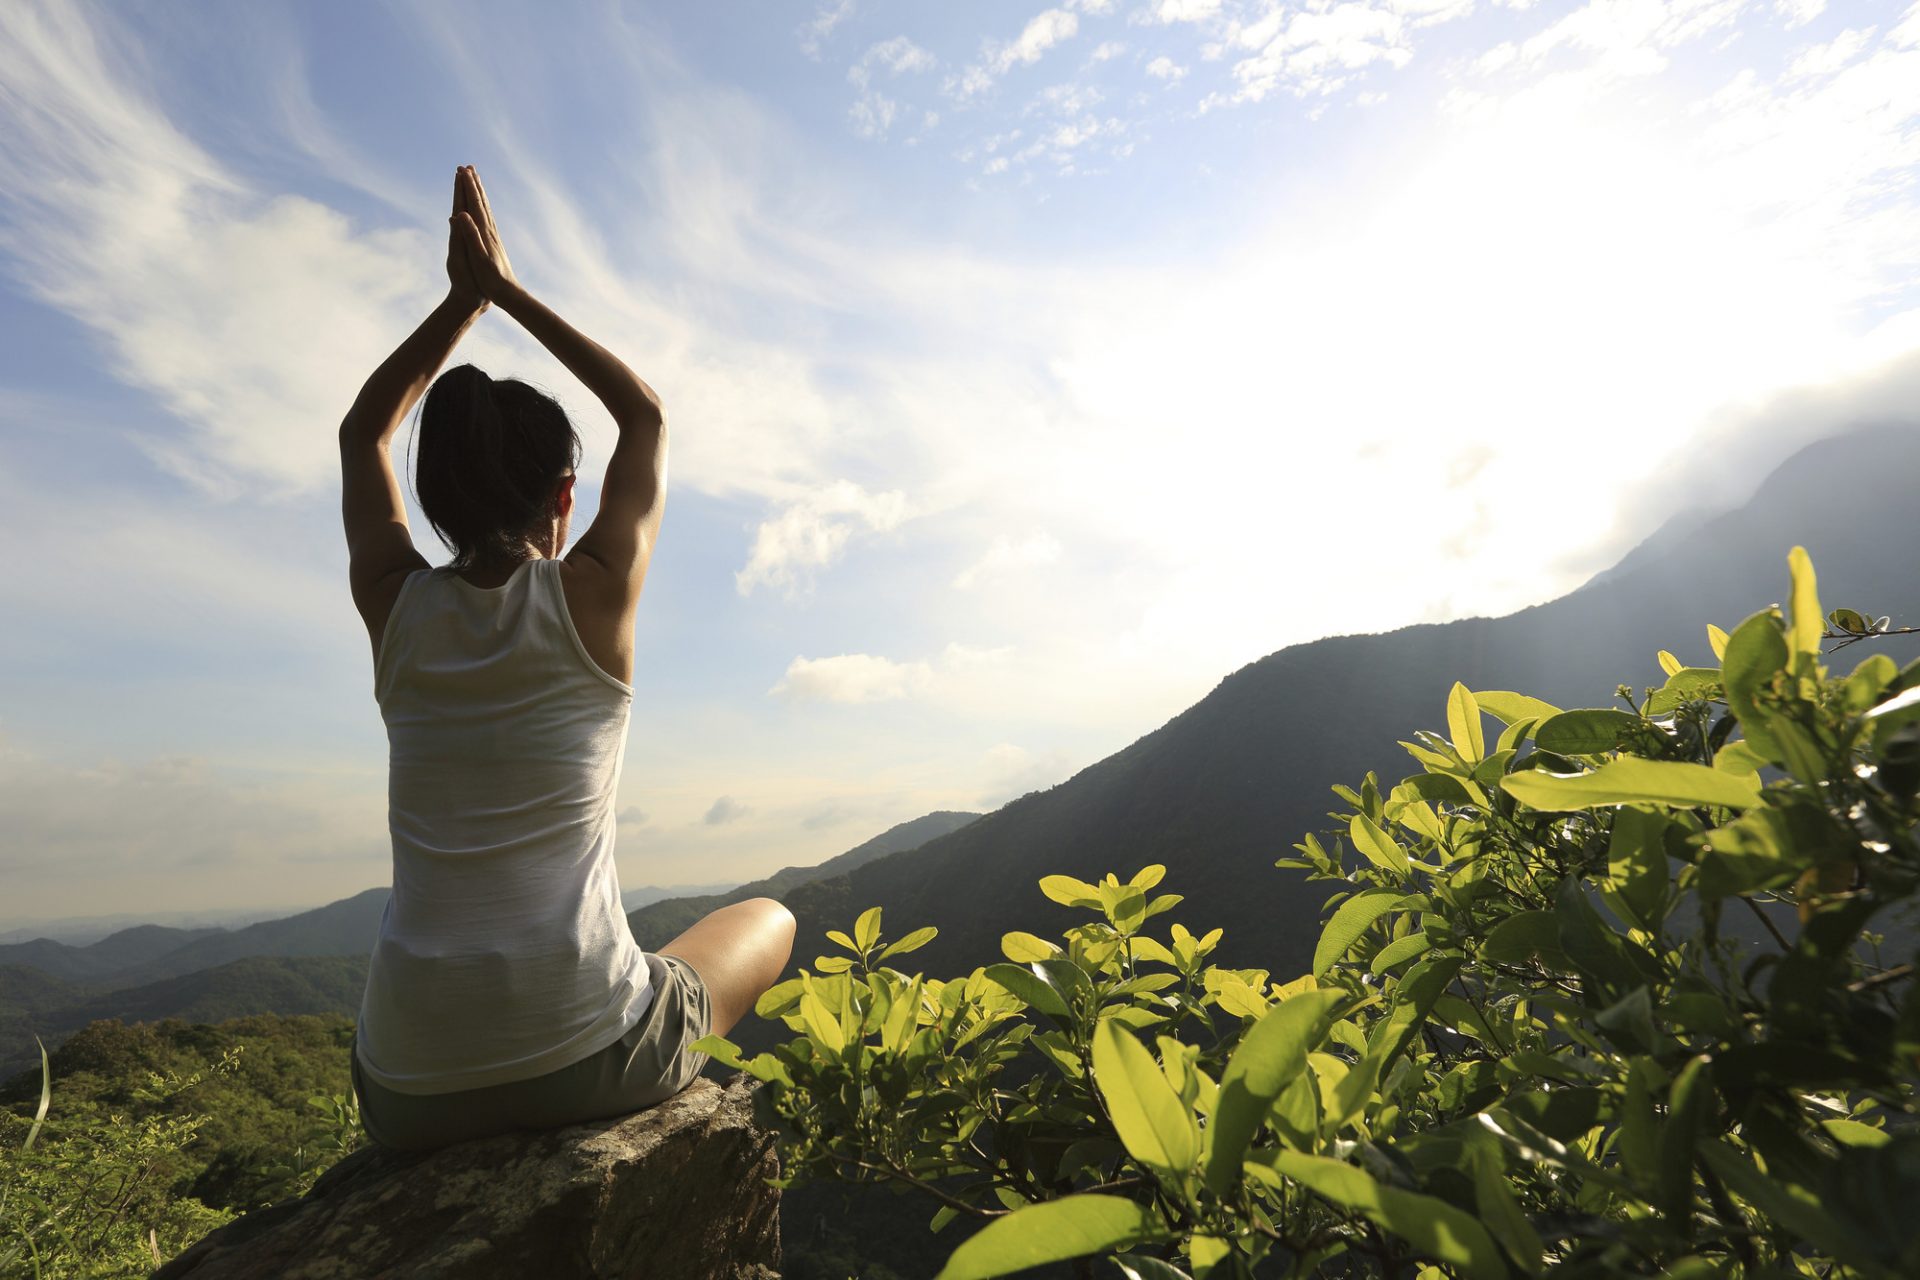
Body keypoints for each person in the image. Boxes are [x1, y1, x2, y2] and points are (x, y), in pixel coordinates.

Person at [336, 165, 794, 1151]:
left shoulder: (394, 607)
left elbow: (364, 429)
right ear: (564, 497)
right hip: (591, 1054)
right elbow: (647, 417)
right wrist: (505, 290)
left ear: (438, 502)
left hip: (409, 1085)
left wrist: (458, 305)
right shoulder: (595, 598)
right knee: (771, 915)